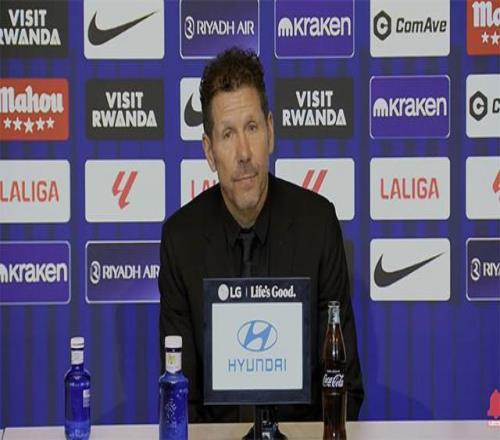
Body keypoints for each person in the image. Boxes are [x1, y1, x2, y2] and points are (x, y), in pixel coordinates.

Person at [158, 47, 363, 423]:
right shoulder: (180, 240)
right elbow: (181, 395)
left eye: (252, 128)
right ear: (209, 151)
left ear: (270, 132)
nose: (243, 153)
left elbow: (343, 383)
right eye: (227, 134)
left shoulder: (318, 225)